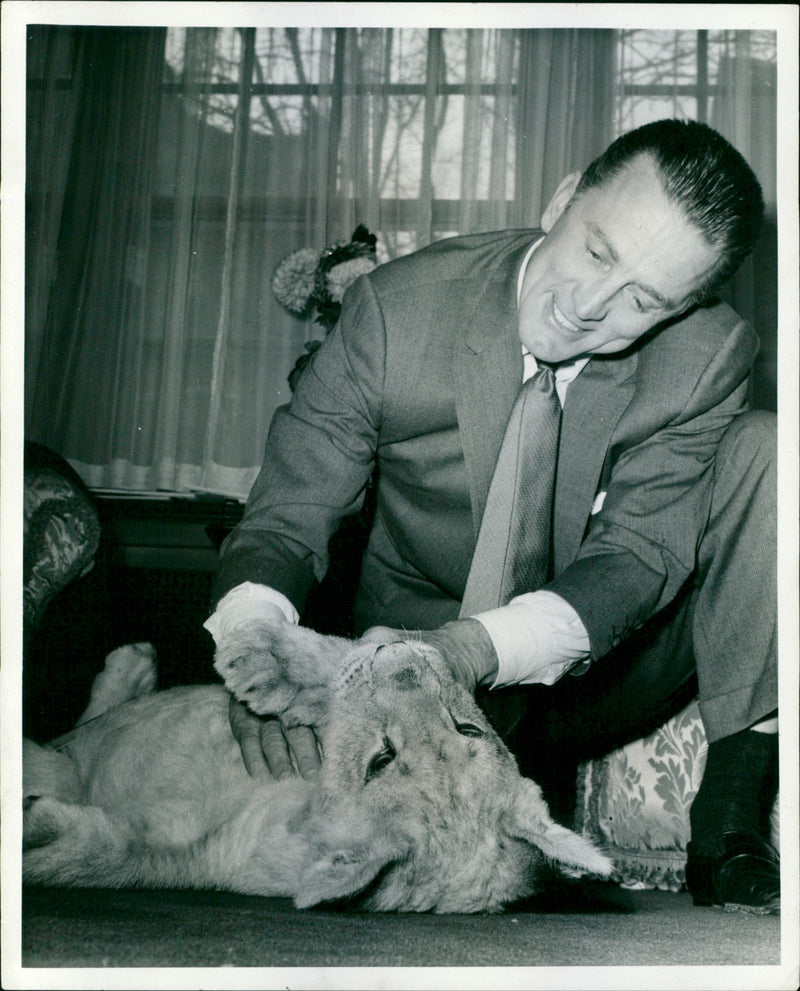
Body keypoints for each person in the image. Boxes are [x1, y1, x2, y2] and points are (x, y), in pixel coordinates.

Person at [205, 119, 779, 913]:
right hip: (400, 684)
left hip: (598, 676)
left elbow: (637, 556)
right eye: (596, 250)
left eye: (642, 300)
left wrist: (468, 649)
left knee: (770, 450)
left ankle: (731, 818)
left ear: (685, 307)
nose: (587, 306)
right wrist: (253, 651)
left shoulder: (706, 356)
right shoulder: (394, 314)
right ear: (562, 200)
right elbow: (283, 519)